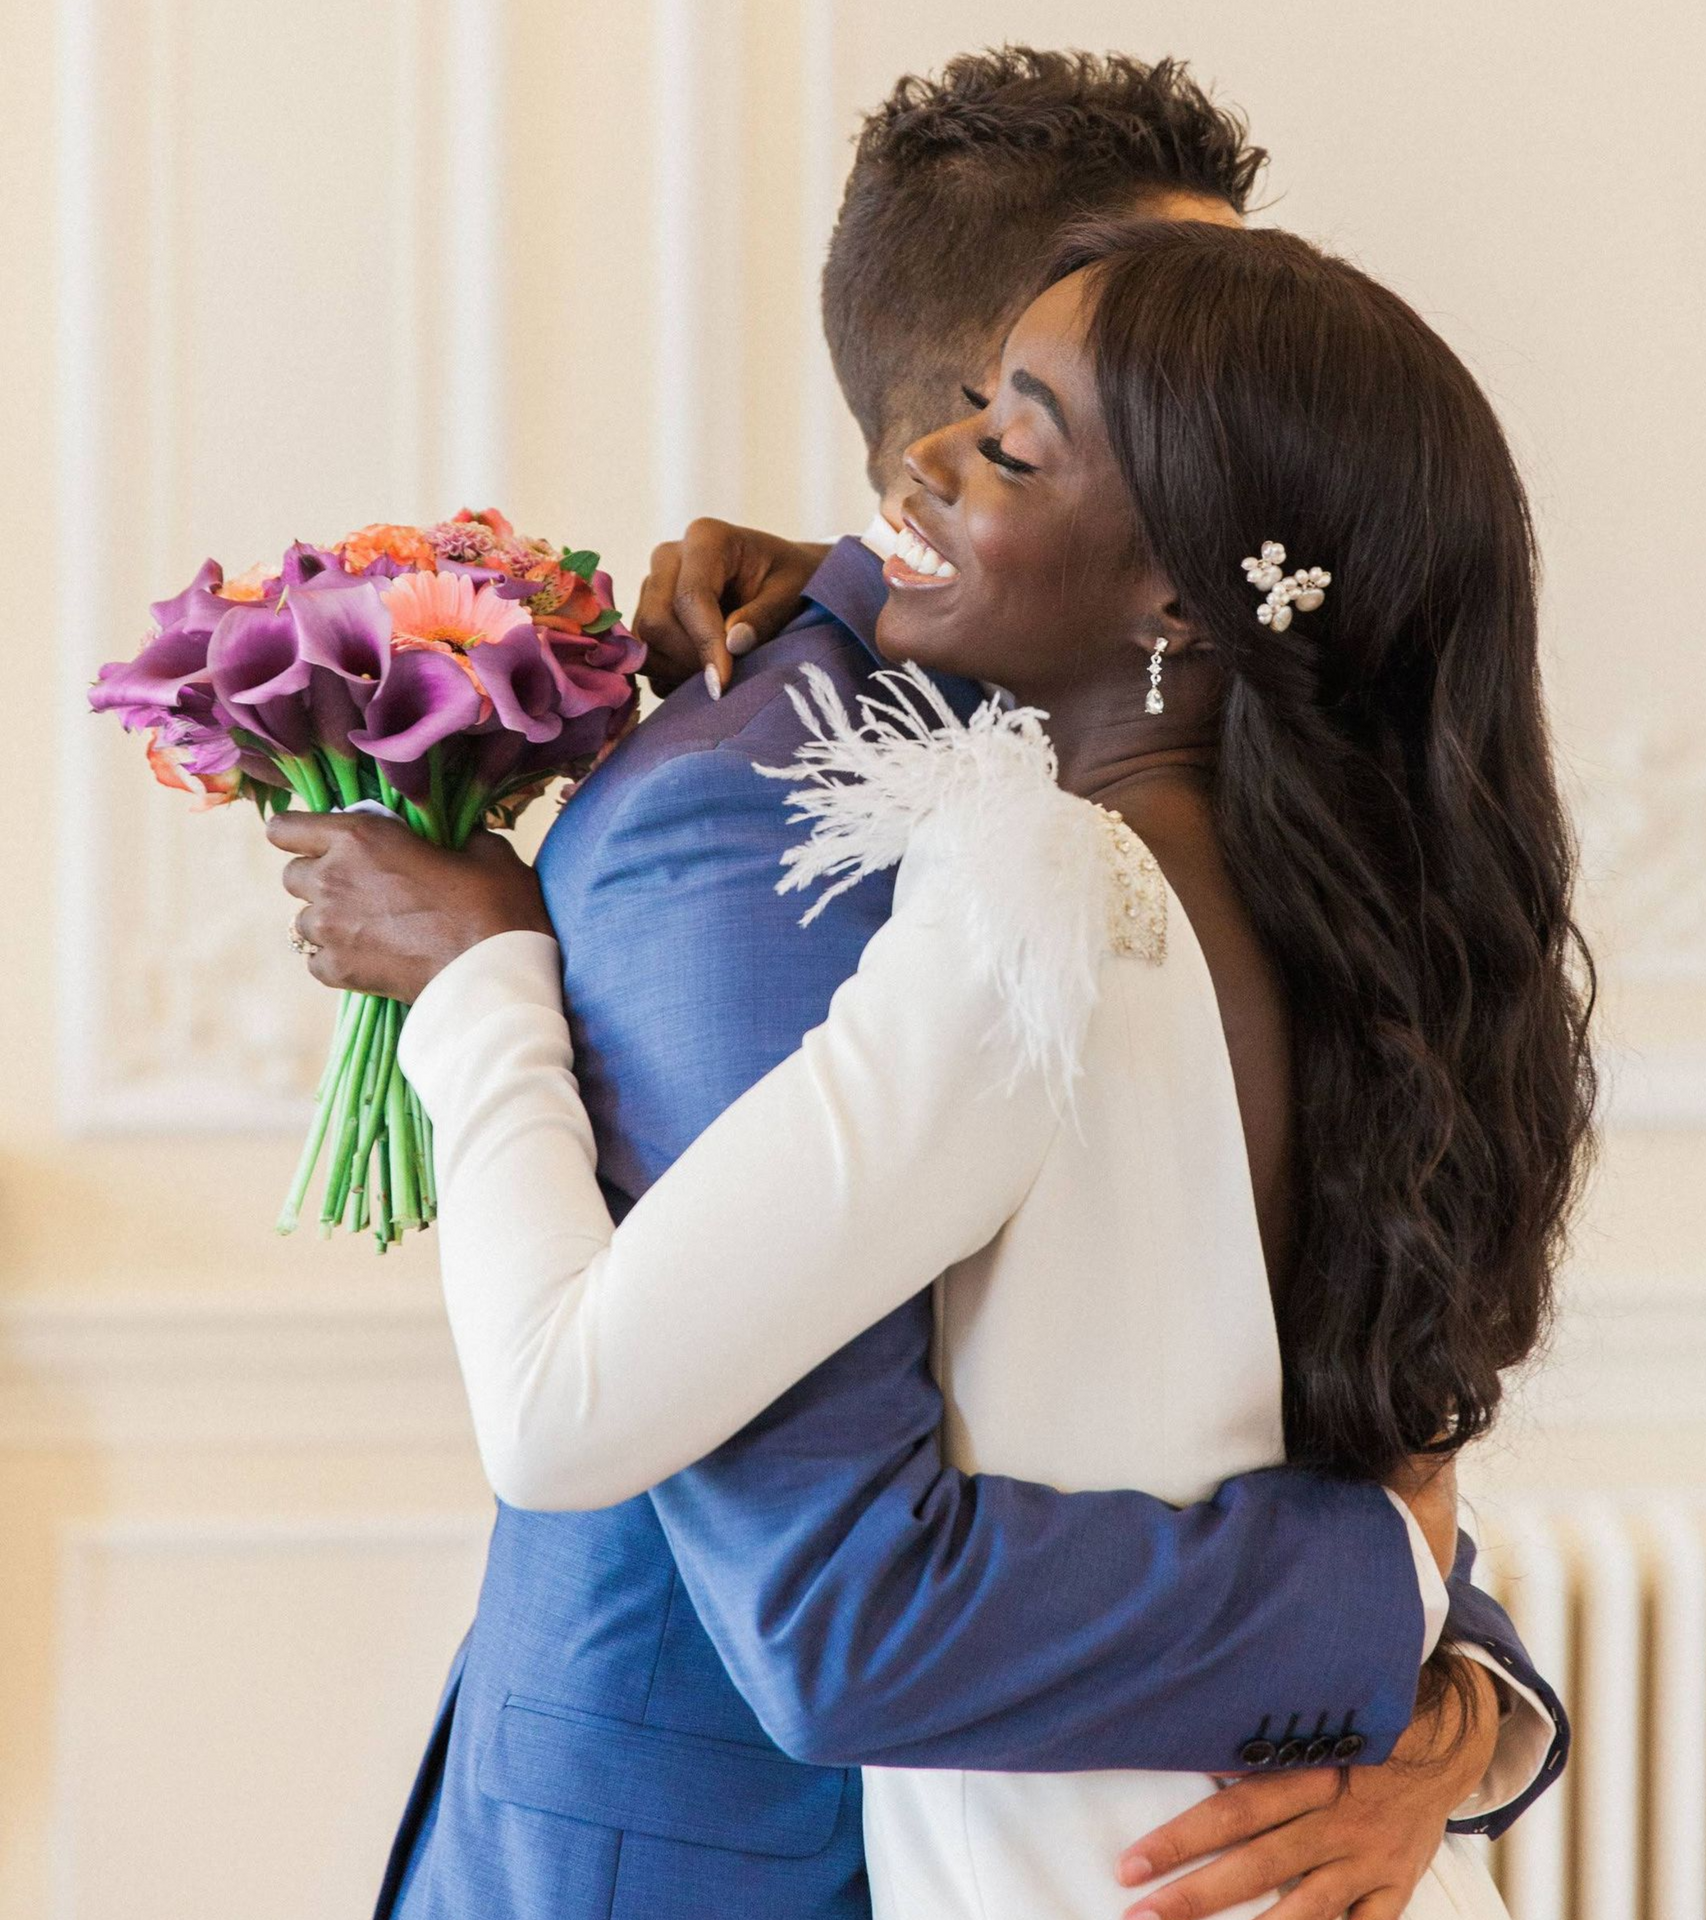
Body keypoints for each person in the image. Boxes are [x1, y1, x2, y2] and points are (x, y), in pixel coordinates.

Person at [280, 53, 1570, 1920]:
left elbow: (1269, 1420)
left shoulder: (1102, 864)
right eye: (993, 416)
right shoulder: (765, 808)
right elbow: (855, 1585)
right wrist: (1397, 1628)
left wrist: (1445, 1706)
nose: (944, 474)